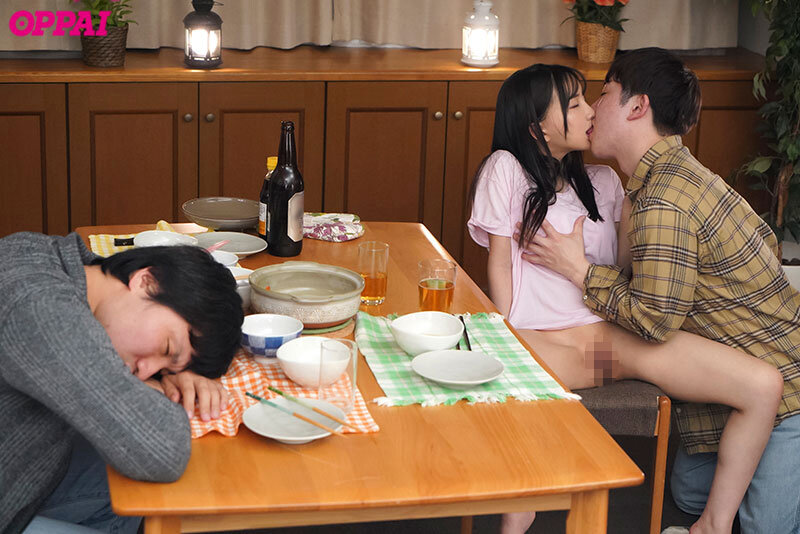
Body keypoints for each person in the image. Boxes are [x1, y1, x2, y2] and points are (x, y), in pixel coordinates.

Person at [468, 63, 785, 534]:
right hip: (537, 339)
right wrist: (509, 332)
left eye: (593, 98)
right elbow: (499, 265)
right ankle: (522, 504)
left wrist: (612, 229)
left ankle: (711, 527)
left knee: (763, 385)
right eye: (575, 104)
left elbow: (622, 272)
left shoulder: (608, 182)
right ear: (537, 127)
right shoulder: (506, 169)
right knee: (497, 374)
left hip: (609, 342)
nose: (591, 110)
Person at [0, 231, 244, 534]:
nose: (144, 371)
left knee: (138, 485)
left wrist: (175, 370)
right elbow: (163, 452)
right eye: (166, 347)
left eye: (165, 368)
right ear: (146, 281)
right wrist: (159, 388)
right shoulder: (41, 310)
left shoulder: (67, 268)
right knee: (166, 478)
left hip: (30, 451)